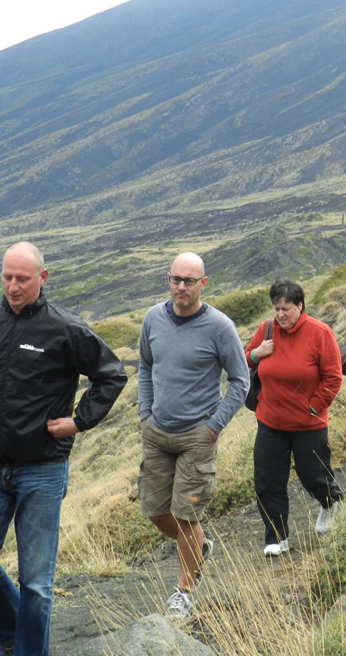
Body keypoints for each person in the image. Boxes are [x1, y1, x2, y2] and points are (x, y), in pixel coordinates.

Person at [0, 242, 127, 656]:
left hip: (42, 470)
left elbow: (111, 375)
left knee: (37, 583)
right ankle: (12, 638)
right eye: (7, 277)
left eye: (22, 278)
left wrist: (79, 421)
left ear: (42, 278)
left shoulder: (65, 328)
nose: (12, 285)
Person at [138, 252, 250, 618]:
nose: (181, 287)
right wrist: (144, 415)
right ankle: (199, 547)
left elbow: (240, 381)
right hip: (157, 432)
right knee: (155, 511)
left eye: (189, 280)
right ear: (167, 279)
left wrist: (214, 426)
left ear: (204, 283)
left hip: (196, 437)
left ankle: (184, 590)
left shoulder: (220, 327)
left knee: (186, 516)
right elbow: (145, 366)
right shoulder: (153, 317)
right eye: (175, 279)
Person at [245, 279, 344, 557]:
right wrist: (256, 353)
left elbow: (333, 378)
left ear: (300, 306)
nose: (280, 315)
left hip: (307, 424)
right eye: (276, 309)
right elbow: (243, 361)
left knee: (313, 475)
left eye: (286, 309)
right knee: (267, 481)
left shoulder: (319, 333)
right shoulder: (265, 330)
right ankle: (277, 538)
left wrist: (314, 407)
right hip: (270, 422)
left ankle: (329, 502)